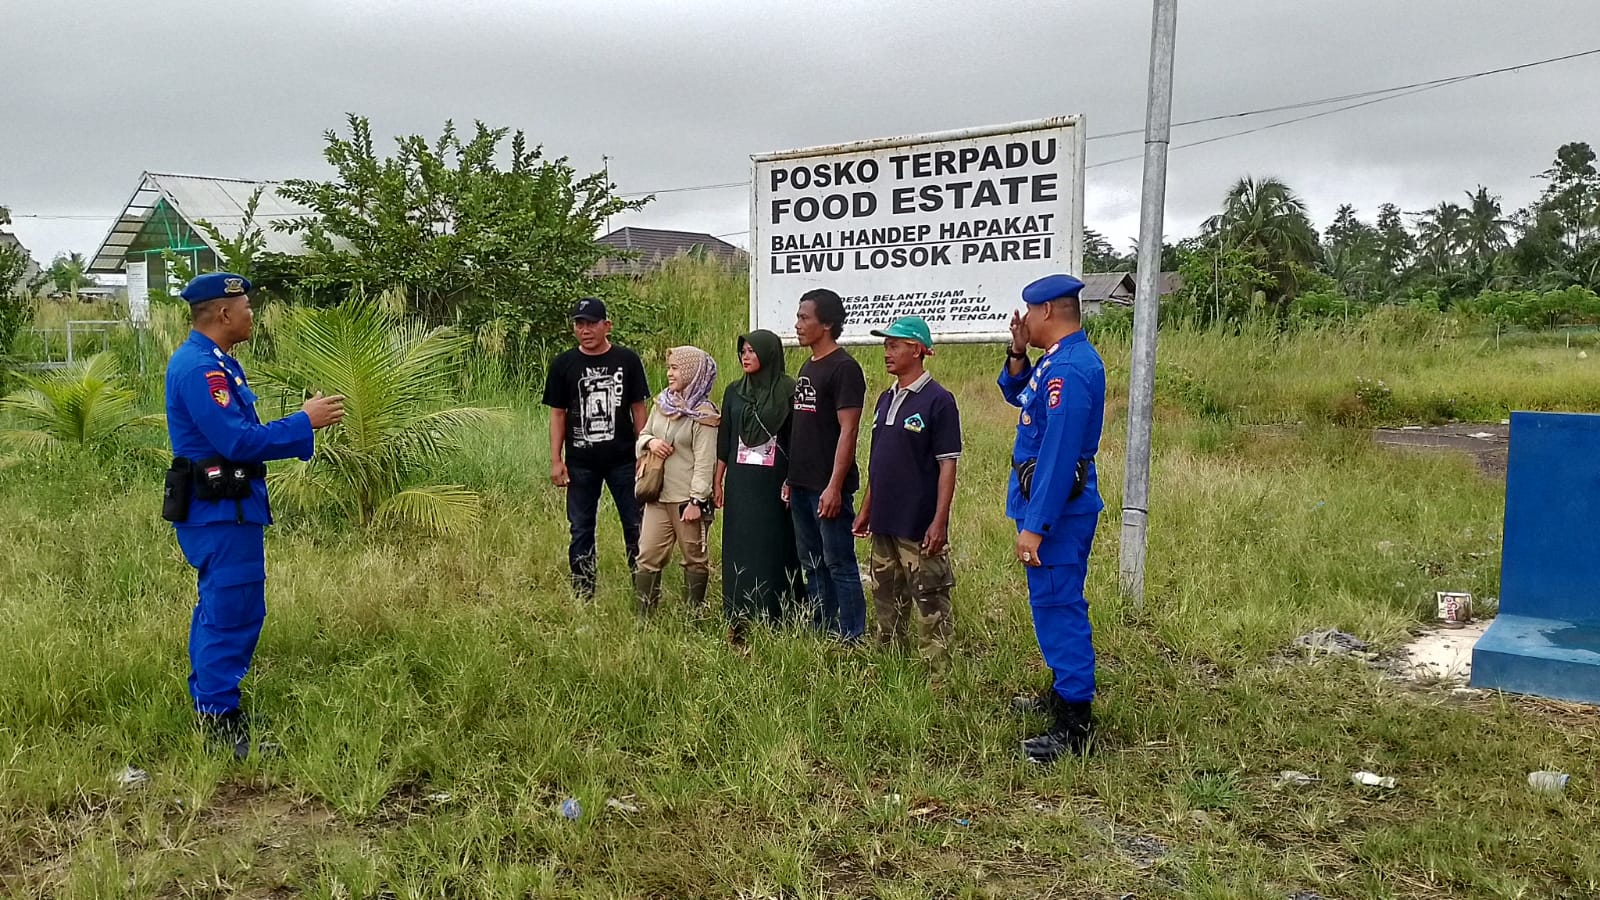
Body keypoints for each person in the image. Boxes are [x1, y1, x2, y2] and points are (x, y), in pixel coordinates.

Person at [162, 272, 345, 759]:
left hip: (230, 507)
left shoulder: (217, 363)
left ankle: (211, 705)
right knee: (232, 611)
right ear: (223, 313)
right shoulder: (202, 370)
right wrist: (303, 421)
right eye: (245, 306)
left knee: (219, 609)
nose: (251, 314)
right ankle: (221, 723)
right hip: (220, 511)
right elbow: (237, 441)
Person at [998, 273, 1107, 763]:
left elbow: (1061, 455)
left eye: (1030, 314)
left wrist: (1035, 526)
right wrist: (1018, 355)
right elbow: (1018, 396)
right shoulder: (1055, 362)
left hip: (1058, 513)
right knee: (1050, 604)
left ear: (1047, 313)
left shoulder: (1071, 370)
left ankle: (1075, 723)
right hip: (1049, 504)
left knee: (1060, 606)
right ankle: (1063, 691)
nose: (1027, 321)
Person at [851, 316, 961, 674]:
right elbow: (879, 460)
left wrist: (939, 521)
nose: (887, 352)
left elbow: (947, 466)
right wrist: (867, 508)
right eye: (885, 345)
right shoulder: (885, 398)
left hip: (918, 523)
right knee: (886, 596)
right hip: (884, 519)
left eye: (894, 345)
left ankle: (939, 676)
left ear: (916, 350)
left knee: (930, 599)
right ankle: (890, 666)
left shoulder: (939, 401)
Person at [543, 298, 650, 599]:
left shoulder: (627, 360)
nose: (585, 330)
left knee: (635, 525)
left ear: (607, 325)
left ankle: (642, 591)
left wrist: (644, 452)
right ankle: (583, 592)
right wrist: (556, 459)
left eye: (591, 323)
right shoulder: (563, 364)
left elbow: (638, 409)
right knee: (580, 528)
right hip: (581, 461)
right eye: (579, 324)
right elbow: (557, 414)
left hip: (624, 459)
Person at [787, 288, 868, 642]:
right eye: (799, 317)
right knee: (813, 563)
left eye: (805, 318)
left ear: (828, 323)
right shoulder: (809, 365)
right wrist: (791, 477)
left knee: (839, 563)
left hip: (827, 485)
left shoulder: (845, 368)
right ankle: (822, 627)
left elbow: (848, 431)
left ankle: (851, 635)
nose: (798, 324)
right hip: (802, 482)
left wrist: (834, 485)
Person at [714, 330, 804, 641]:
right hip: (741, 482)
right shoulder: (734, 391)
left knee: (774, 543)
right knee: (740, 543)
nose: (746, 356)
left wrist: (792, 480)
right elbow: (725, 438)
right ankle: (739, 611)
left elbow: (797, 442)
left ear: (769, 354)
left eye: (752, 351)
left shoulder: (789, 391)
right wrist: (718, 480)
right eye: (743, 351)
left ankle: (779, 611)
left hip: (773, 483)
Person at [633, 346, 720, 613]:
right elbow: (642, 436)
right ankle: (644, 617)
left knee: (694, 558)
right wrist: (652, 442)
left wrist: (696, 500)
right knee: (647, 555)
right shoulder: (663, 403)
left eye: (676, 368)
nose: (669, 373)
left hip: (686, 501)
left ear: (692, 371)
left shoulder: (704, 414)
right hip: (657, 495)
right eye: (669, 367)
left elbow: (705, 462)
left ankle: (693, 614)